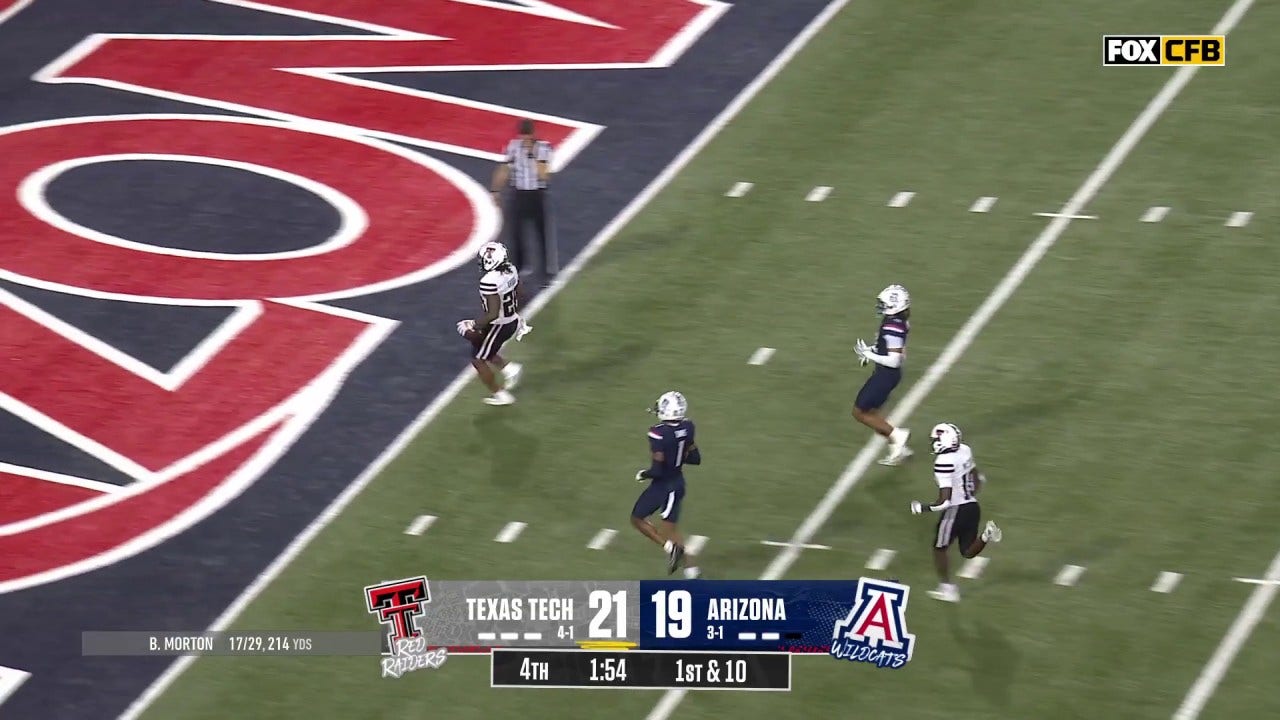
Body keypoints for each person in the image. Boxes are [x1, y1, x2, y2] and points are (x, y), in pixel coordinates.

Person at [910, 422, 1003, 602]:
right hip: (972, 507)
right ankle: (987, 534)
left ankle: (947, 589)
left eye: (936, 439)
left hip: (955, 510)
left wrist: (922, 507)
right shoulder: (965, 450)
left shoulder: (943, 462)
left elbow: (944, 501)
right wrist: (970, 492)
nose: (933, 442)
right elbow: (977, 476)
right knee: (967, 552)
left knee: (939, 548)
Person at [630, 391, 702, 577]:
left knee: (668, 530)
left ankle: (688, 567)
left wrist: (643, 474)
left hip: (666, 485)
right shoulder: (688, 427)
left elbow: (657, 470)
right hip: (674, 482)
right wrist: (676, 456)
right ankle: (676, 554)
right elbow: (695, 458)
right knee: (637, 517)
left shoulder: (657, 433)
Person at [455, 242, 528, 406]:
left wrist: (474, 325)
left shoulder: (489, 281)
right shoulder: (511, 269)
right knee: (481, 346)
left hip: (499, 324)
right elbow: (521, 294)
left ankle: (501, 395)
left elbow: (493, 313)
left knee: (478, 359)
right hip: (510, 319)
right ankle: (510, 369)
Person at [490, 119, 557, 286]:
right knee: (516, 233)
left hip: (536, 195)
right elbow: (504, 169)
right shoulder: (513, 147)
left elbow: (544, 175)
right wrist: (496, 189)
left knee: (541, 234)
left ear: (534, 134)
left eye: (528, 137)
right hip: (518, 194)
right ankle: (519, 267)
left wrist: (532, 155)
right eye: (523, 138)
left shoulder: (544, 149)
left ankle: (546, 271)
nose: (525, 141)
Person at [853, 284, 914, 465]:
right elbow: (886, 349)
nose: (880, 306)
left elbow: (894, 360)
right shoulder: (898, 322)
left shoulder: (892, 326)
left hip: (886, 375)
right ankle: (898, 448)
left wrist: (869, 354)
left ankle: (897, 436)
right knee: (873, 413)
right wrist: (872, 351)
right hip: (887, 374)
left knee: (860, 413)